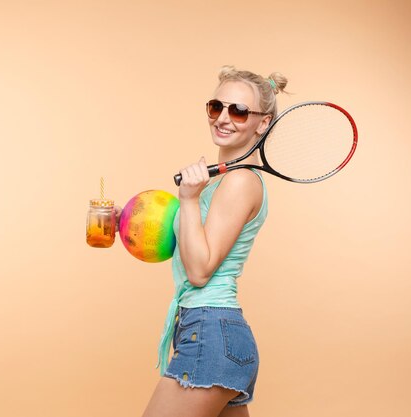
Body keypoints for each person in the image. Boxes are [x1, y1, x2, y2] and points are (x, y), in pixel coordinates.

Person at [117, 65, 288, 417]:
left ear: (263, 122)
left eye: (239, 111)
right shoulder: (220, 183)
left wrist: (189, 199)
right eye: (216, 107)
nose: (223, 118)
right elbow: (190, 244)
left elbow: (199, 271)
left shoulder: (241, 182)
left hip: (209, 332)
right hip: (211, 333)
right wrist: (128, 220)